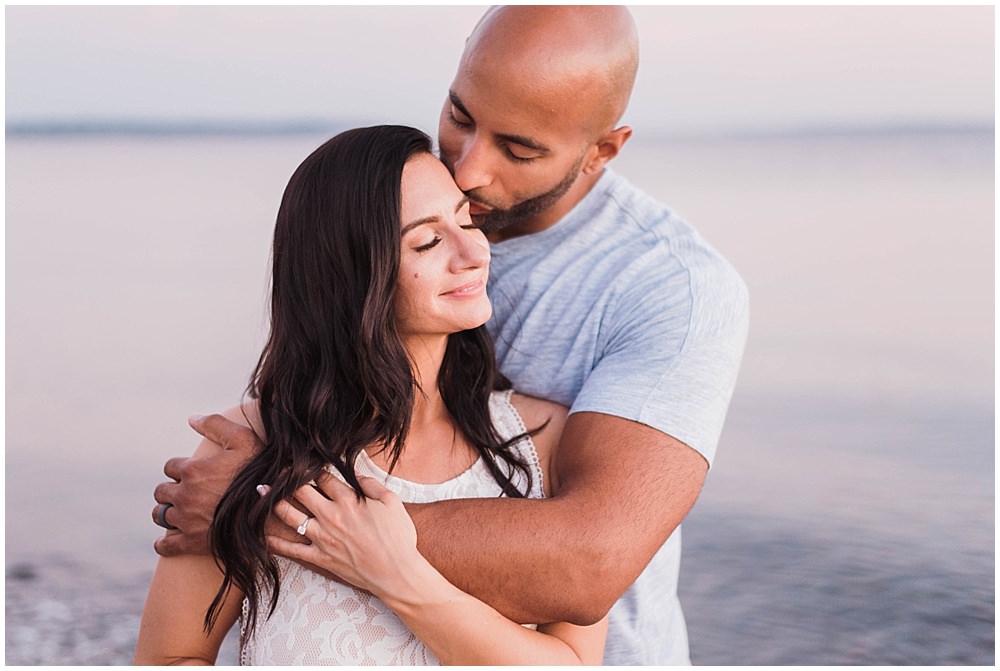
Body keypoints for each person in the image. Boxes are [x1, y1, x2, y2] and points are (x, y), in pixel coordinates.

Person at [152, 6, 749, 665]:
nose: (467, 169)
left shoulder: (672, 289)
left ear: (602, 149)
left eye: (518, 149)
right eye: (460, 115)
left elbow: (589, 563)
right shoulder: (269, 429)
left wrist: (269, 511)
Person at [134, 125, 608, 665]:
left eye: (465, 218)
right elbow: (169, 658)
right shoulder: (249, 446)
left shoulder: (541, 440)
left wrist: (397, 576)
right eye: (428, 241)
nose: (473, 251)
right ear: (352, 275)